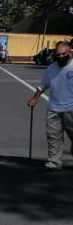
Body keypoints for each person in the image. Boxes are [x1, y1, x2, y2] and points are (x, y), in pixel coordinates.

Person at [27, 40, 73, 172]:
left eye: (63, 54)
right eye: (58, 54)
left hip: (71, 109)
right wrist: (34, 98)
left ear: (70, 53)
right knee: (53, 138)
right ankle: (54, 163)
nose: (60, 57)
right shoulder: (52, 68)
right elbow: (42, 86)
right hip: (54, 109)